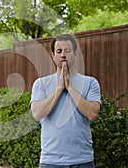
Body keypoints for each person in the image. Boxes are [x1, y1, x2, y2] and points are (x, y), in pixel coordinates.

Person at [30, 34, 101, 168]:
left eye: (67, 51)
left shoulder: (90, 82)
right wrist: (59, 89)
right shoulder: (41, 84)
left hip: (82, 160)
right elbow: (37, 114)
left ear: (75, 54)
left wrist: (70, 88)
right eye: (59, 51)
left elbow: (92, 114)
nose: (63, 54)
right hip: (50, 162)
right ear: (53, 55)